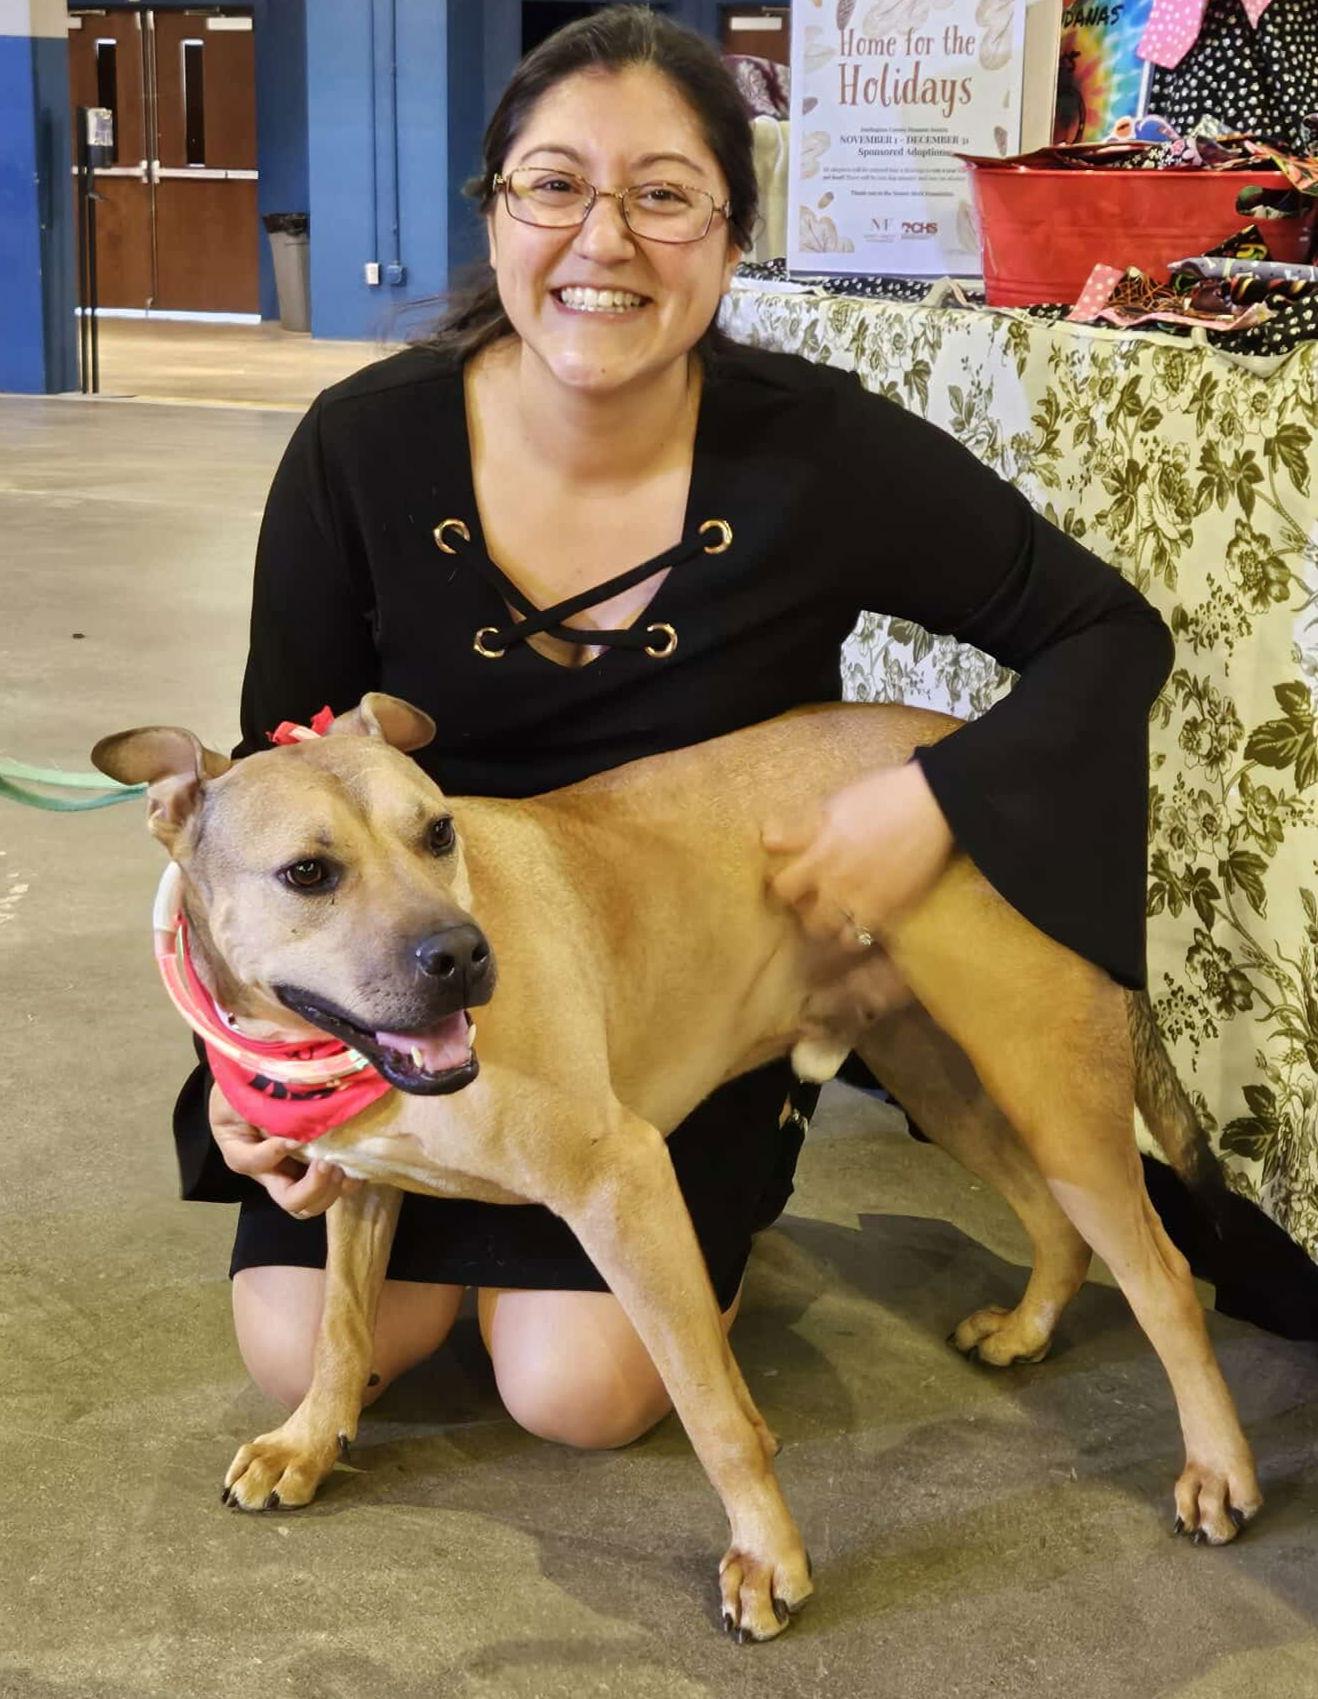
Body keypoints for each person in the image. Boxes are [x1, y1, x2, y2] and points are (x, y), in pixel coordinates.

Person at [173, 5, 1174, 1446]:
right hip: (420, 979)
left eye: (662, 196)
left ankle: (697, 1201)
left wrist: (936, 799)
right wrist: (248, 1072)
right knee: (306, 1354)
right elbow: (276, 790)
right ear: (495, 208)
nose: (603, 239)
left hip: (677, 987)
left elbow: (1105, 633)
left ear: (729, 233)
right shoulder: (363, 442)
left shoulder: (817, 449)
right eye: (554, 185)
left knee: (574, 1392)